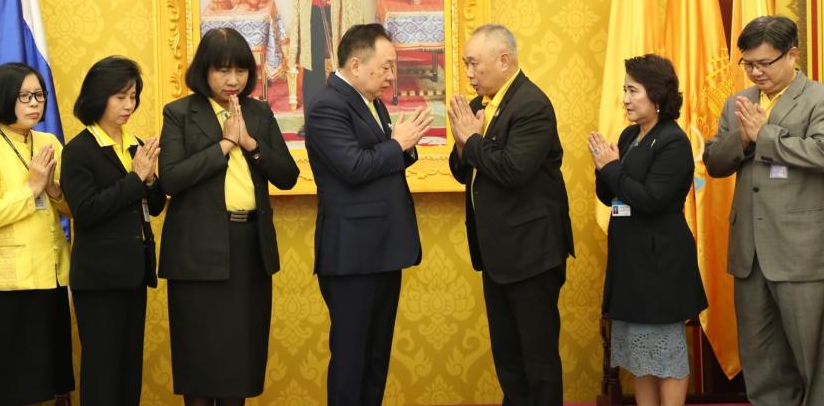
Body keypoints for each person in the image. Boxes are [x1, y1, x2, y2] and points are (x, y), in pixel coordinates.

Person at [158, 28, 299, 406]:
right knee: (201, 364)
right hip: (197, 253)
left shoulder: (258, 112)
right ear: (204, 71)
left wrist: (250, 143)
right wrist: (224, 144)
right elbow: (171, 178)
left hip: (249, 249)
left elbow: (287, 176)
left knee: (240, 361)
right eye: (222, 70)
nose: (233, 79)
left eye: (240, 69)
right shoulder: (179, 113)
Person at [305, 23, 432, 406]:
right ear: (356, 65)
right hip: (352, 254)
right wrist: (398, 145)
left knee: (376, 358)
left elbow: (381, 162)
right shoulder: (328, 106)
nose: (392, 76)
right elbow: (354, 166)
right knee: (351, 359)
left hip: (383, 249)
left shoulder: (370, 102)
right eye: (387, 66)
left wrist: (403, 147)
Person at [447, 23, 574, 405]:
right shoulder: (478, 107)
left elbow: (513, 170)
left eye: (475, 64)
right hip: (497, 253)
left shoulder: (532, 105)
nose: (469, 73)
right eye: (466, 64)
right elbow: (463, 170)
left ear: (504, 60)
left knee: (537, 358)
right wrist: (463, 144)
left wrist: (471, 140)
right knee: (508, 356)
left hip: (531, 253)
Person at [703, 16, 824, 406]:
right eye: (748, 64)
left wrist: (766, 136)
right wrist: (741, 138)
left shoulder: (818, 99)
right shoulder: (738, 103)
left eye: (764, 63)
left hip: (801, 253)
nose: (755, 72)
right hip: (750, 254)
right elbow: (714, 162)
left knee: (815, 361)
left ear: (792, 55)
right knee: (761, 361)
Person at [588, 54, 708, 406]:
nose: (625, 99)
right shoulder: (629, 135)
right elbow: (611, 195)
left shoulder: (673, 141)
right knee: (640, 357)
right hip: (631, 260)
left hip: (660, 261)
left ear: (655, 94)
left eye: (632, 90)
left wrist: (612, 169)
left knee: (665, 354)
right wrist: (603, 168)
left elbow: (652, 200)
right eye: (624, 90)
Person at [0, 62, 74, 405]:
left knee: (50, 382)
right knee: (9, 387)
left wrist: (53, 190)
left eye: (39, 95)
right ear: (2, 97)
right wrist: (32, 189)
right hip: (6, 288)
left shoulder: (49, 142)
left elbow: (72, 207)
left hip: (51, 277)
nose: (35, 103)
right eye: (25, 96)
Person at [60, 57, 166, 406]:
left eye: (133, 96)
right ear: (98, 96)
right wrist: (136, 179)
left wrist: (150, 180)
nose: (129, 105)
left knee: (128, 372)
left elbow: (155, 204)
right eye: (120, 97)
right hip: (99, 279)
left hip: (134, 273)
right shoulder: (79, 151)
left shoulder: (136, 144)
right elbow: (86, 211)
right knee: (102, 373)